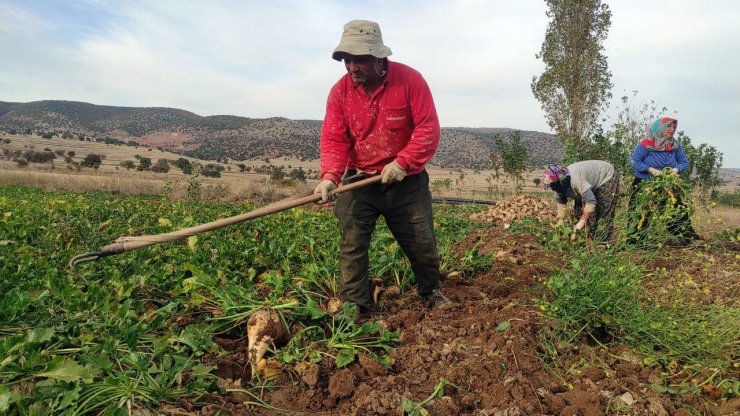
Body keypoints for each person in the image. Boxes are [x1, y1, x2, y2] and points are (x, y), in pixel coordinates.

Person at [313, 20, 448, 317]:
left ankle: (430, 290)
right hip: (359, 181)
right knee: (353, 244)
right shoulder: (339, 93)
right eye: (347, 60)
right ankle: (355, 305)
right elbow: (335, 138)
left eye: (358, 59)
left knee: (421, 241)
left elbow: (428, 129)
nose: (352, 67)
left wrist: (403, 161)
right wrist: (330, 177)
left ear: (378, 57)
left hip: (406, 183)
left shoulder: (410, 81)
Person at [627, 117, 699, 244]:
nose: (672, 130)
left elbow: (684, 162)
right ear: (660, 128)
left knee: (676, 210)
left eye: (673, 127)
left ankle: (688, 238)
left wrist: (676, 170)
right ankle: (636, 242)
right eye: (668, 126)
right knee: (640, 212)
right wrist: (649, 169)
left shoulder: (675, 145)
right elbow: (632, 161)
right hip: (644, 184)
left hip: (666, 184)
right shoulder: (646, 144)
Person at [542, 160, 619, 242]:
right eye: (550, 186)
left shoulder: (575, 179)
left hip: (605, 175)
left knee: (603, 211)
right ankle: (585, 238)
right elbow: (561, 200)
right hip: (588, 180)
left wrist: (582, 221)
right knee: (579, 211)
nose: (552, 188)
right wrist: (560, 220)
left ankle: (602, 243)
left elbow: (591, 201)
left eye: (552, 185)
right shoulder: (557, 185)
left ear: (559, 181)